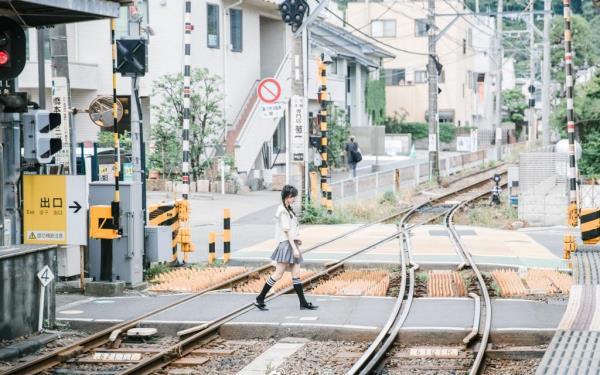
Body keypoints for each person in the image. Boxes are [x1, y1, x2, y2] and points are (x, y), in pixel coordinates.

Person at [254, 185, 318, 311]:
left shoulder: (288, 209)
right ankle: (260, 298)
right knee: (278, 274)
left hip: (291, 244)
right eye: (291, 197)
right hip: (287, 245)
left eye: (294, 196)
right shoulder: (282, 211)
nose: (293, 199)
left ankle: (303, 303)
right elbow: (287, 231)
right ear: (285, 197)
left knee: (296, 275)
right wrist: (294, 248)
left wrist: (296, 242)